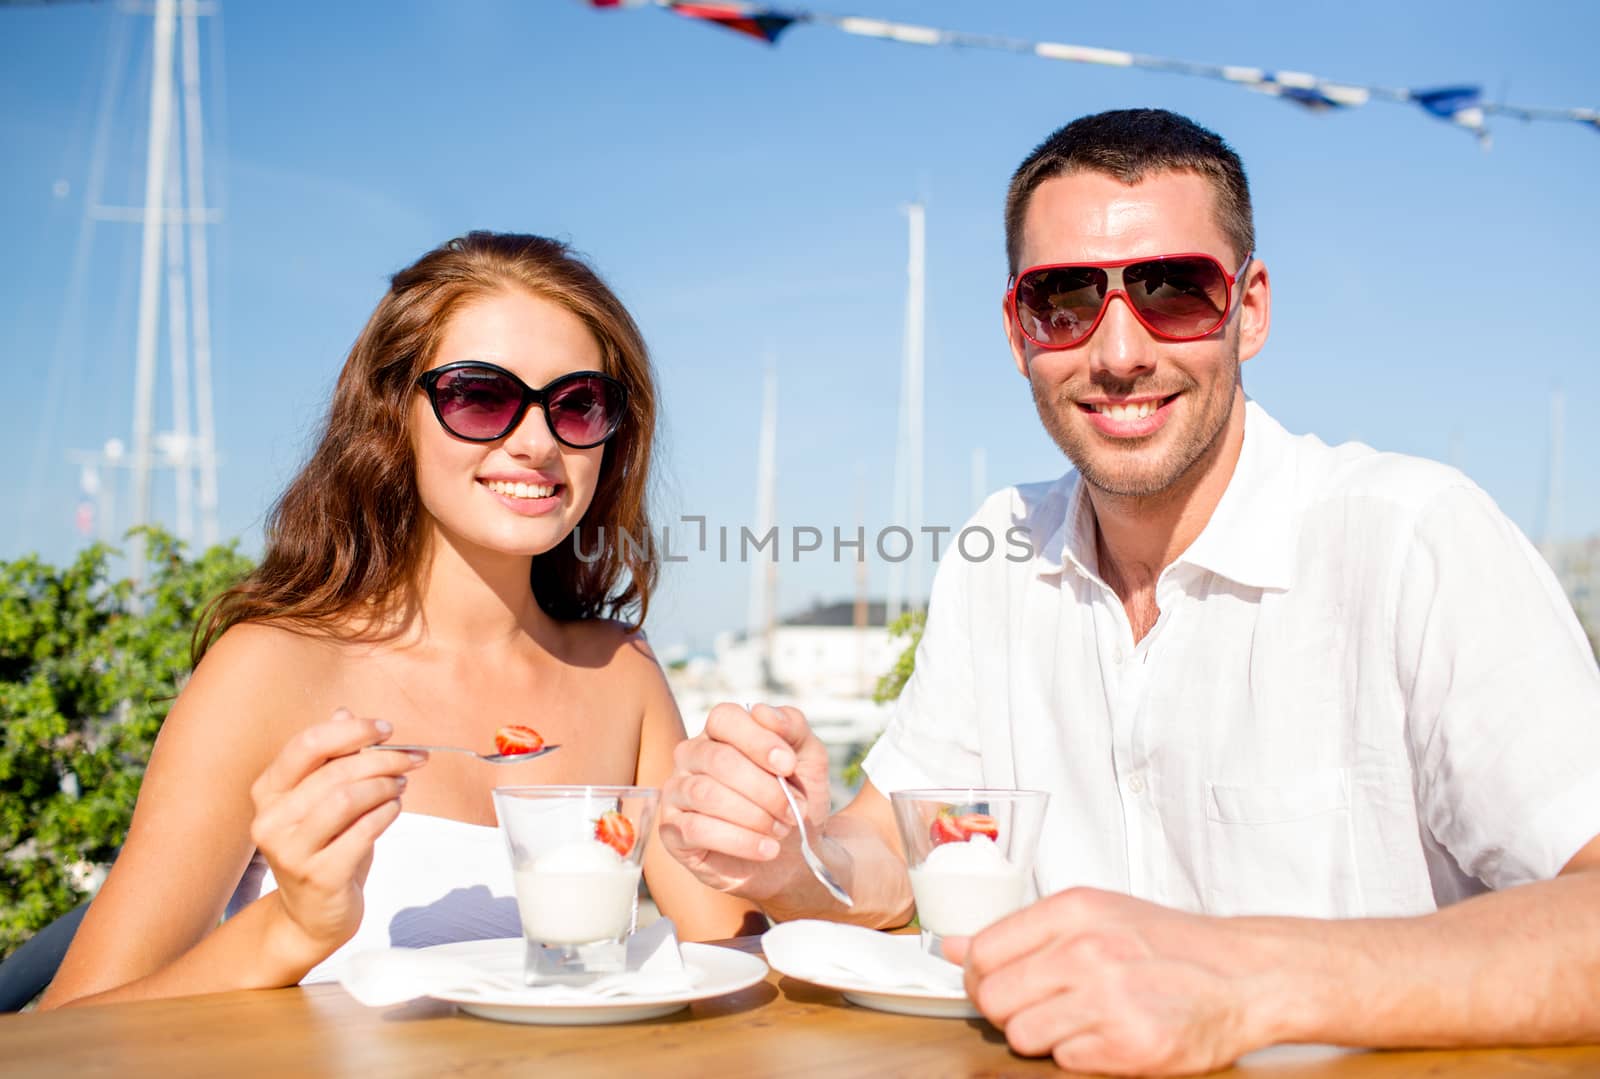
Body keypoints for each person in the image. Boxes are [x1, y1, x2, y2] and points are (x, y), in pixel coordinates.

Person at [658, 110, 1600, 1074]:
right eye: (1064, 301)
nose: (1117, 352)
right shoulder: (998, 552)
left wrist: (1243, 978)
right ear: (1018, 330)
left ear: (1252, 308)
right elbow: (897, 858)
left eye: (1172, 291)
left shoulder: (1411, 538)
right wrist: (788, 856)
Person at [41, 231, 760, 1008]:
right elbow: (67, 1028)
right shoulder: (270, 670)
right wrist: (291, 925)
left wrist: (773, 845)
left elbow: (729, 970)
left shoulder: (623, 674)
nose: (537, 442)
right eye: (480, 396)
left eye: (578, 405)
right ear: (392, 414)